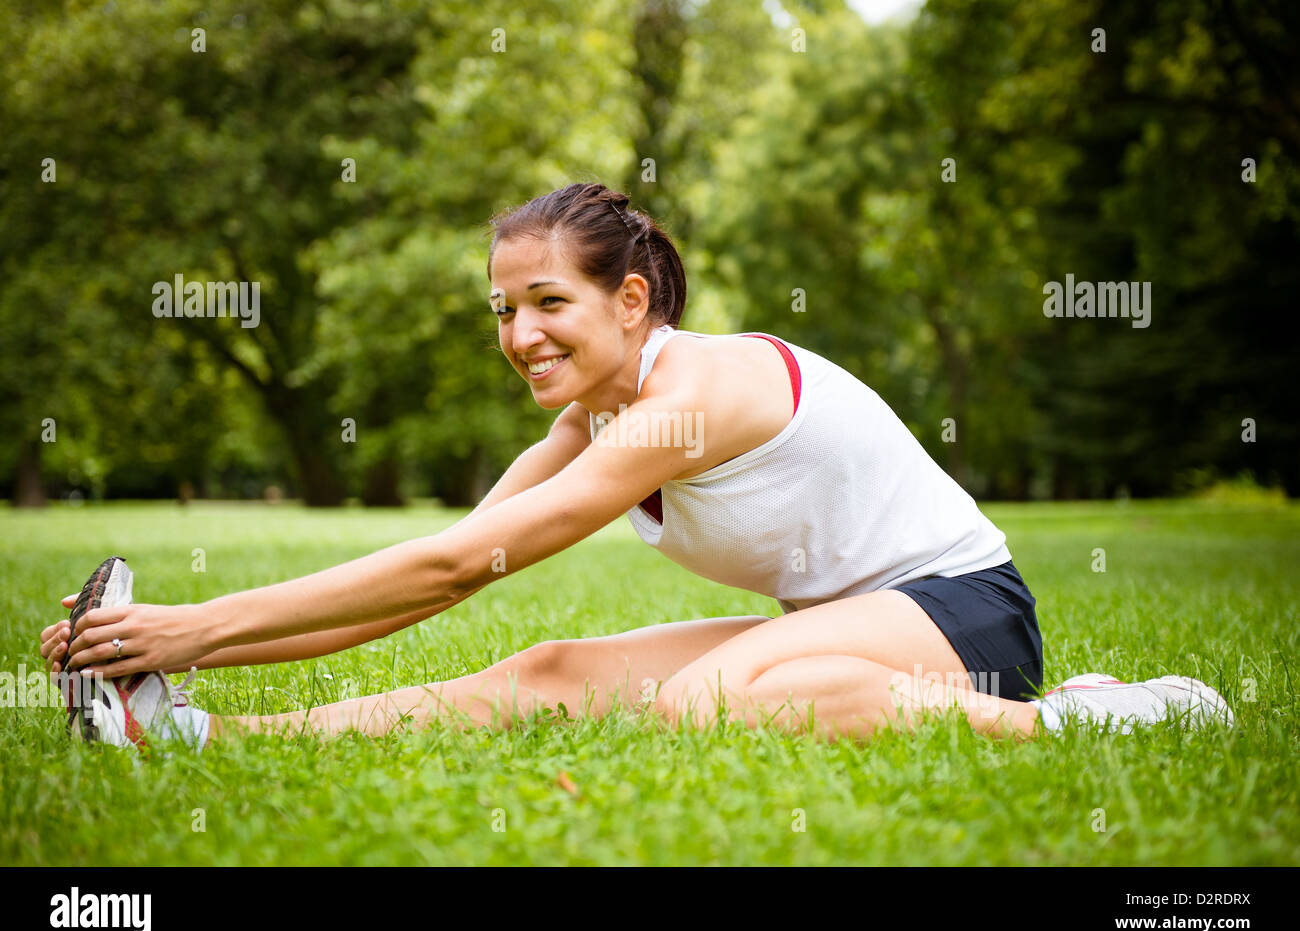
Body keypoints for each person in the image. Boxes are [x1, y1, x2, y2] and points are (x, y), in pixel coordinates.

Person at [38, 183, 1233, 752]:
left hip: (965, 617)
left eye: (545, 302)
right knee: (555, 668)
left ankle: (1093, 724)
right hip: (847, 620)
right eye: (501, 310)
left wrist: (191, 624)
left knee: (708, 703)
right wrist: (163, 646)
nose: (519, 336)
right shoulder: (588, 424)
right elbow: (427, 573)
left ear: (630, 297)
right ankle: (204, 737)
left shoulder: (684, 403)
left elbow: (456, 564)